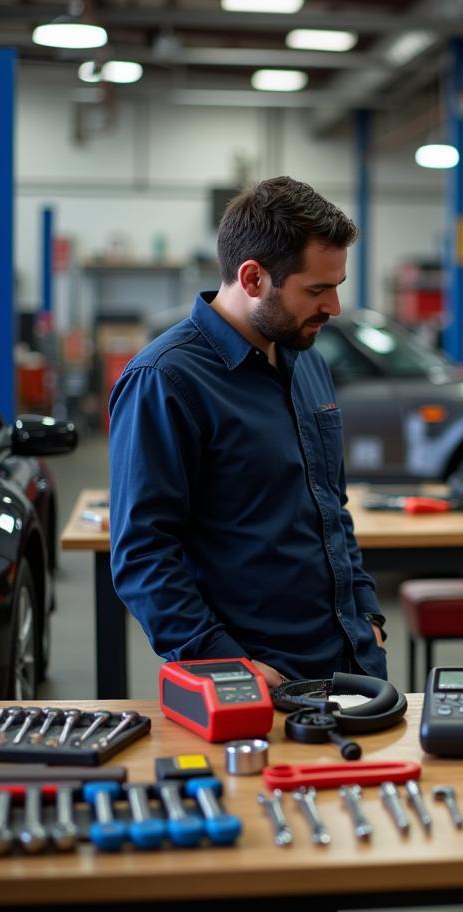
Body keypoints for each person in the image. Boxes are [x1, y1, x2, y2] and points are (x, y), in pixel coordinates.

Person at [109, 176, 387, 689]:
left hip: (353, 666)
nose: (334, 308)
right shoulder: (166, 380)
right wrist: (226, 666)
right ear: (253, 277)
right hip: (260, 681)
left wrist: (366, 612)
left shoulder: (307, 360)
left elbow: (330, 505)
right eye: (317, 289)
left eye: (337, 288)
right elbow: (143, 554)